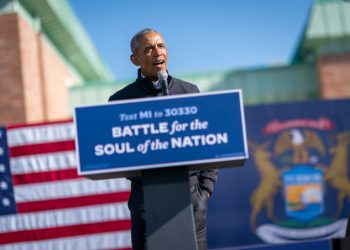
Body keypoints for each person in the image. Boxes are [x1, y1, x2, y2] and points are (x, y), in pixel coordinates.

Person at [109, 28, 218, 250]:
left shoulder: (189, 91)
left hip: (191, 198)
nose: (158, 52)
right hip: (146, 203)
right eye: (149, 48)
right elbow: (119, 155)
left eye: (161, 46)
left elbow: (208, 143)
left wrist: (205, 188)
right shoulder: (120, 101)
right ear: (135, 59)